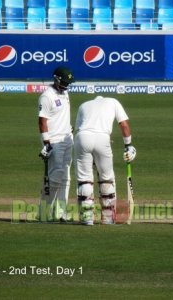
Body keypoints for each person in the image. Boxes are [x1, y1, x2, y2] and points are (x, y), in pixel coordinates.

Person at [74, 95, 136, 225]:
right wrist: (128, 146)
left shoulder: (84, 105)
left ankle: (86, 218)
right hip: (102, 138)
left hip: (82, 137)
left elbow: (78, 129)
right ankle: (108, 218)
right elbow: (124, 125)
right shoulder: (113, 102)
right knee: (106, 178)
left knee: (84, 179)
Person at [38, 66, 74, 222]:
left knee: (66, 177)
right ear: (56, 79)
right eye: (64, 82)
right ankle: (44, 213)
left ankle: (60, 213)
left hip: (68, 139)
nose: (66, 85)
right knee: (55, 176)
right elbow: (42, 121)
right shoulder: (47, 96)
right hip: (54, 141)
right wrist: (46, 143)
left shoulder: (65, 93)